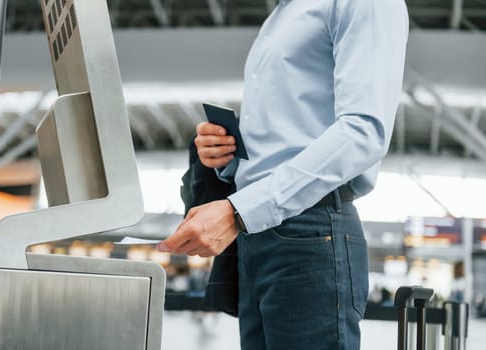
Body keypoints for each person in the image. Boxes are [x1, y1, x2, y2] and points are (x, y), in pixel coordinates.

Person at [157, 0, 409, 349]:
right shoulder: (280, 14)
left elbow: (362, 132)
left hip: (310, 231)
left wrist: (240, 210)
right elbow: (286, 140)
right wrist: (226, 157)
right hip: (256, 230)